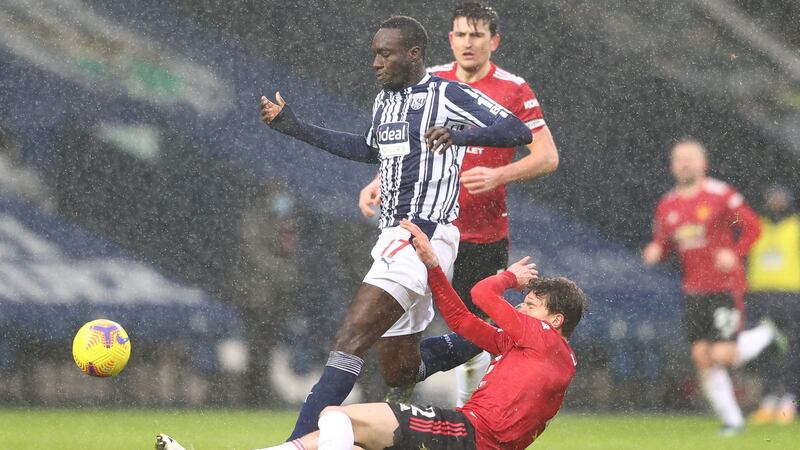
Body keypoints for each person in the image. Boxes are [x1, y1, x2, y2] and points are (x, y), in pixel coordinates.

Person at [259, 16, 532, 439]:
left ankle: (293, 445)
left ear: (413, 54)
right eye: (374, 54)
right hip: (394, 236)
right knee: (400, 369)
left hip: (420, 234)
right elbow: (367, 148)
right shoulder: (385, 101)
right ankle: (499, 334)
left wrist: (459, 137)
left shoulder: (446, 94)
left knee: (351, 338)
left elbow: (517, 130)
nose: (376, 63)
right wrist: (295, 127)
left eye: (385, 54)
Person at [156, 219, 587, 450]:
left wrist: (510, 278)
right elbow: (461, 320)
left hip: (466, 436)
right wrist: (432, 266)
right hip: (468, 438)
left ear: (555, 320)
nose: (520, 308)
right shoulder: (532, 347)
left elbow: (480, 294)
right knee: (341, 440)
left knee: (338, 418)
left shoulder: (541, 338)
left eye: (531, 305)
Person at [358, 2, 559, 405]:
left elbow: (547, 156)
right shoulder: (429, 81)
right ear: (450, 39)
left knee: (474, 331)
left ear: (494, 41)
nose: (468, 43)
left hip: (482, 233)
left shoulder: (514, 89)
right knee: (398, 322)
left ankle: (472, 418)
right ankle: (396, 407)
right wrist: (380, 180)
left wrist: (500, 175)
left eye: (477, 35)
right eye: (461, 34)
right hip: (423, 228)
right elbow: (401, 142)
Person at [642, 138, 780, 436]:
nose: (685, 164)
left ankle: (767, 334)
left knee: (722, 355)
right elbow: (665, 243)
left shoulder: (721, 196)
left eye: (690, 158)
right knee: (702, 358)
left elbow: (752, 226)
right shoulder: (668, 205)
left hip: (724, 287)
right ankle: (733, 422)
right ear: (672, 166)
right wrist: (656, 250)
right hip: (693, 290)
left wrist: (736, 252)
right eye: (679, 159)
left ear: (703, 163)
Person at [747, 185, 797, 425]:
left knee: (792, 349)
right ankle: (767, 400)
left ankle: (789, 400)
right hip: (762, 295)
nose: (776, 203)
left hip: (791, 295)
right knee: (765, 349)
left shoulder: (796, 227)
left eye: (780, 199)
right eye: (772, 199)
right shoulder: (757, 226)